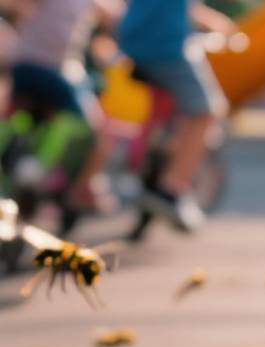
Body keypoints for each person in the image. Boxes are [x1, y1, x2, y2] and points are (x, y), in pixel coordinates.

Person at [114, 0, 233, 231]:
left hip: (130, 42)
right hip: (165, 46)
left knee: (167, 107)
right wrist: (221, 26)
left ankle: (157, 150)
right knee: (205, 111)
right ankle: (172, 188)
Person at [3, 0, 119, 213]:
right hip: (54, 72)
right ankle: (82, 188)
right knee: (101, 132)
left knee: (11, 108)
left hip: (24, 65)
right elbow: (114, 17)